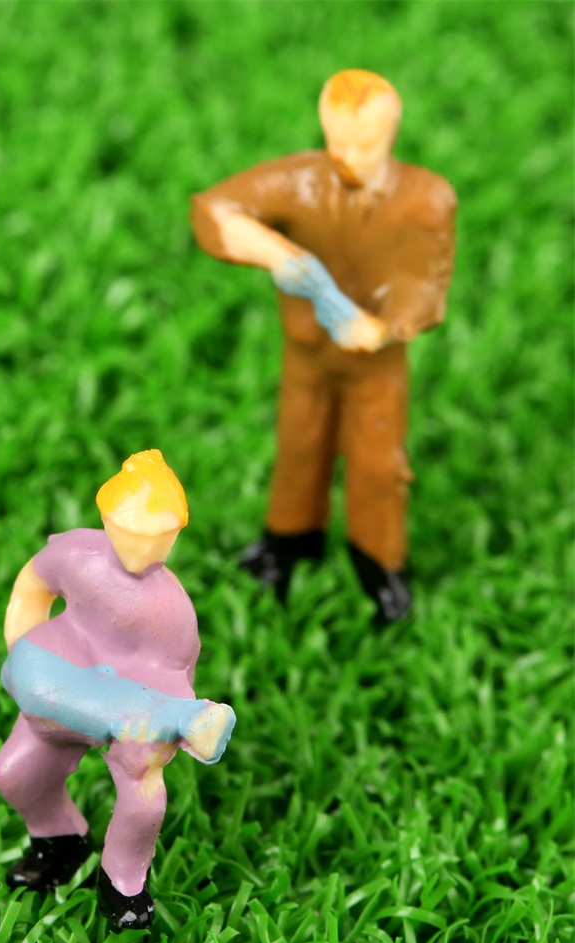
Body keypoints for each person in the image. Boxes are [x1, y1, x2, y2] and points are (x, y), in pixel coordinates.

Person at [190, 70, 456, 624]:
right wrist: (275, 252)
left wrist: (384, 327)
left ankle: (379, 563)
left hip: (374, 362)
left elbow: (426, 285)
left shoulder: (426, 199)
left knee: (377, 461)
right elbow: (214, 209)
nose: (347, 158)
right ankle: (287, 541)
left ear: (390, 134)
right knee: (299, 444)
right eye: (337, 143)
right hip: (307, 352)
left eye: (363, 146)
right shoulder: (300, 180)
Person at [0, 450, 235, 930]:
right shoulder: (76, 555)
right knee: (15, 773)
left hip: (132, 707)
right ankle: (59, 840)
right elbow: (33, 582)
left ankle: (123, 881)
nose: (146, 548)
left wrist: (161, 727)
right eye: (134, 533)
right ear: (108, 520)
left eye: (161, 537)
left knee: (144, 794)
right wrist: (25, 649)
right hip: (63, 682)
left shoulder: (171, 609)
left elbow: (174, 674)